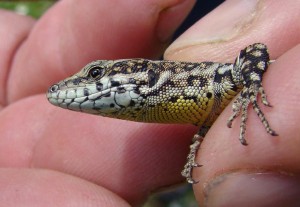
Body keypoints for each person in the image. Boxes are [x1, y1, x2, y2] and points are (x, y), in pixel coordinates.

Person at [0, 0, 299, 206]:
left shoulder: (211, 79)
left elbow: (256, 49)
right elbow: (212, 111)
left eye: (94, 75)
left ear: (137, 73)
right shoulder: (192, 103)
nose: (79, 85)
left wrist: (251, 89)